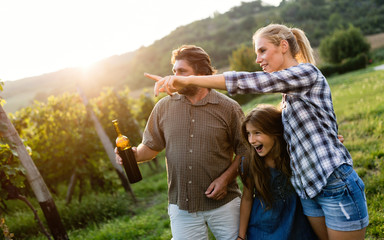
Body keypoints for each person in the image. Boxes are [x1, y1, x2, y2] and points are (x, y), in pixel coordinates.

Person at [145, 24, 369, 240]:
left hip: (333, 183)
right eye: (257, 52)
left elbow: (252, 82)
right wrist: (330, 136)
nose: (258, 58)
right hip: (308, 190)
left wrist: (187, 79)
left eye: (263, 50)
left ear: (283, 46)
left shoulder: (306, 73)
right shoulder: (288, 95)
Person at [117, 45, 247, 240]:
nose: (174, 77)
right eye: (174, 71)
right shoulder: (163, 107)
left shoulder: (228, 108)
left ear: (201, 74)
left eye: (182, 72)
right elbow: (150, 148)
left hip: (225, 204)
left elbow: (246, 151)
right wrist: (133, 155)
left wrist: (225, 179)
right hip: (182, 208)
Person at [237, 104, 317, 240]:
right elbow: (247, 198)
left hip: (296, 223)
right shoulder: (250, 162)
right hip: (264, 226)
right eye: (248, 134)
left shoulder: (292, 155)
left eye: (257, 133)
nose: (251, 140)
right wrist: (241, 235)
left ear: (275, 131)